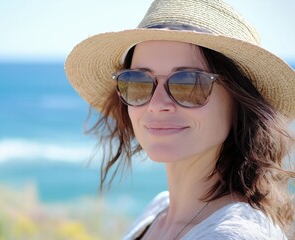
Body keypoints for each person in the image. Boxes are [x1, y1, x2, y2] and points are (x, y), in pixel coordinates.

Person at [65, 0, 295, 239]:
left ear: (238, 101)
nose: (157, 105)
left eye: (189, 83)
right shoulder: (157, 212)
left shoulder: (233, 235)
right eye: (138, 82)